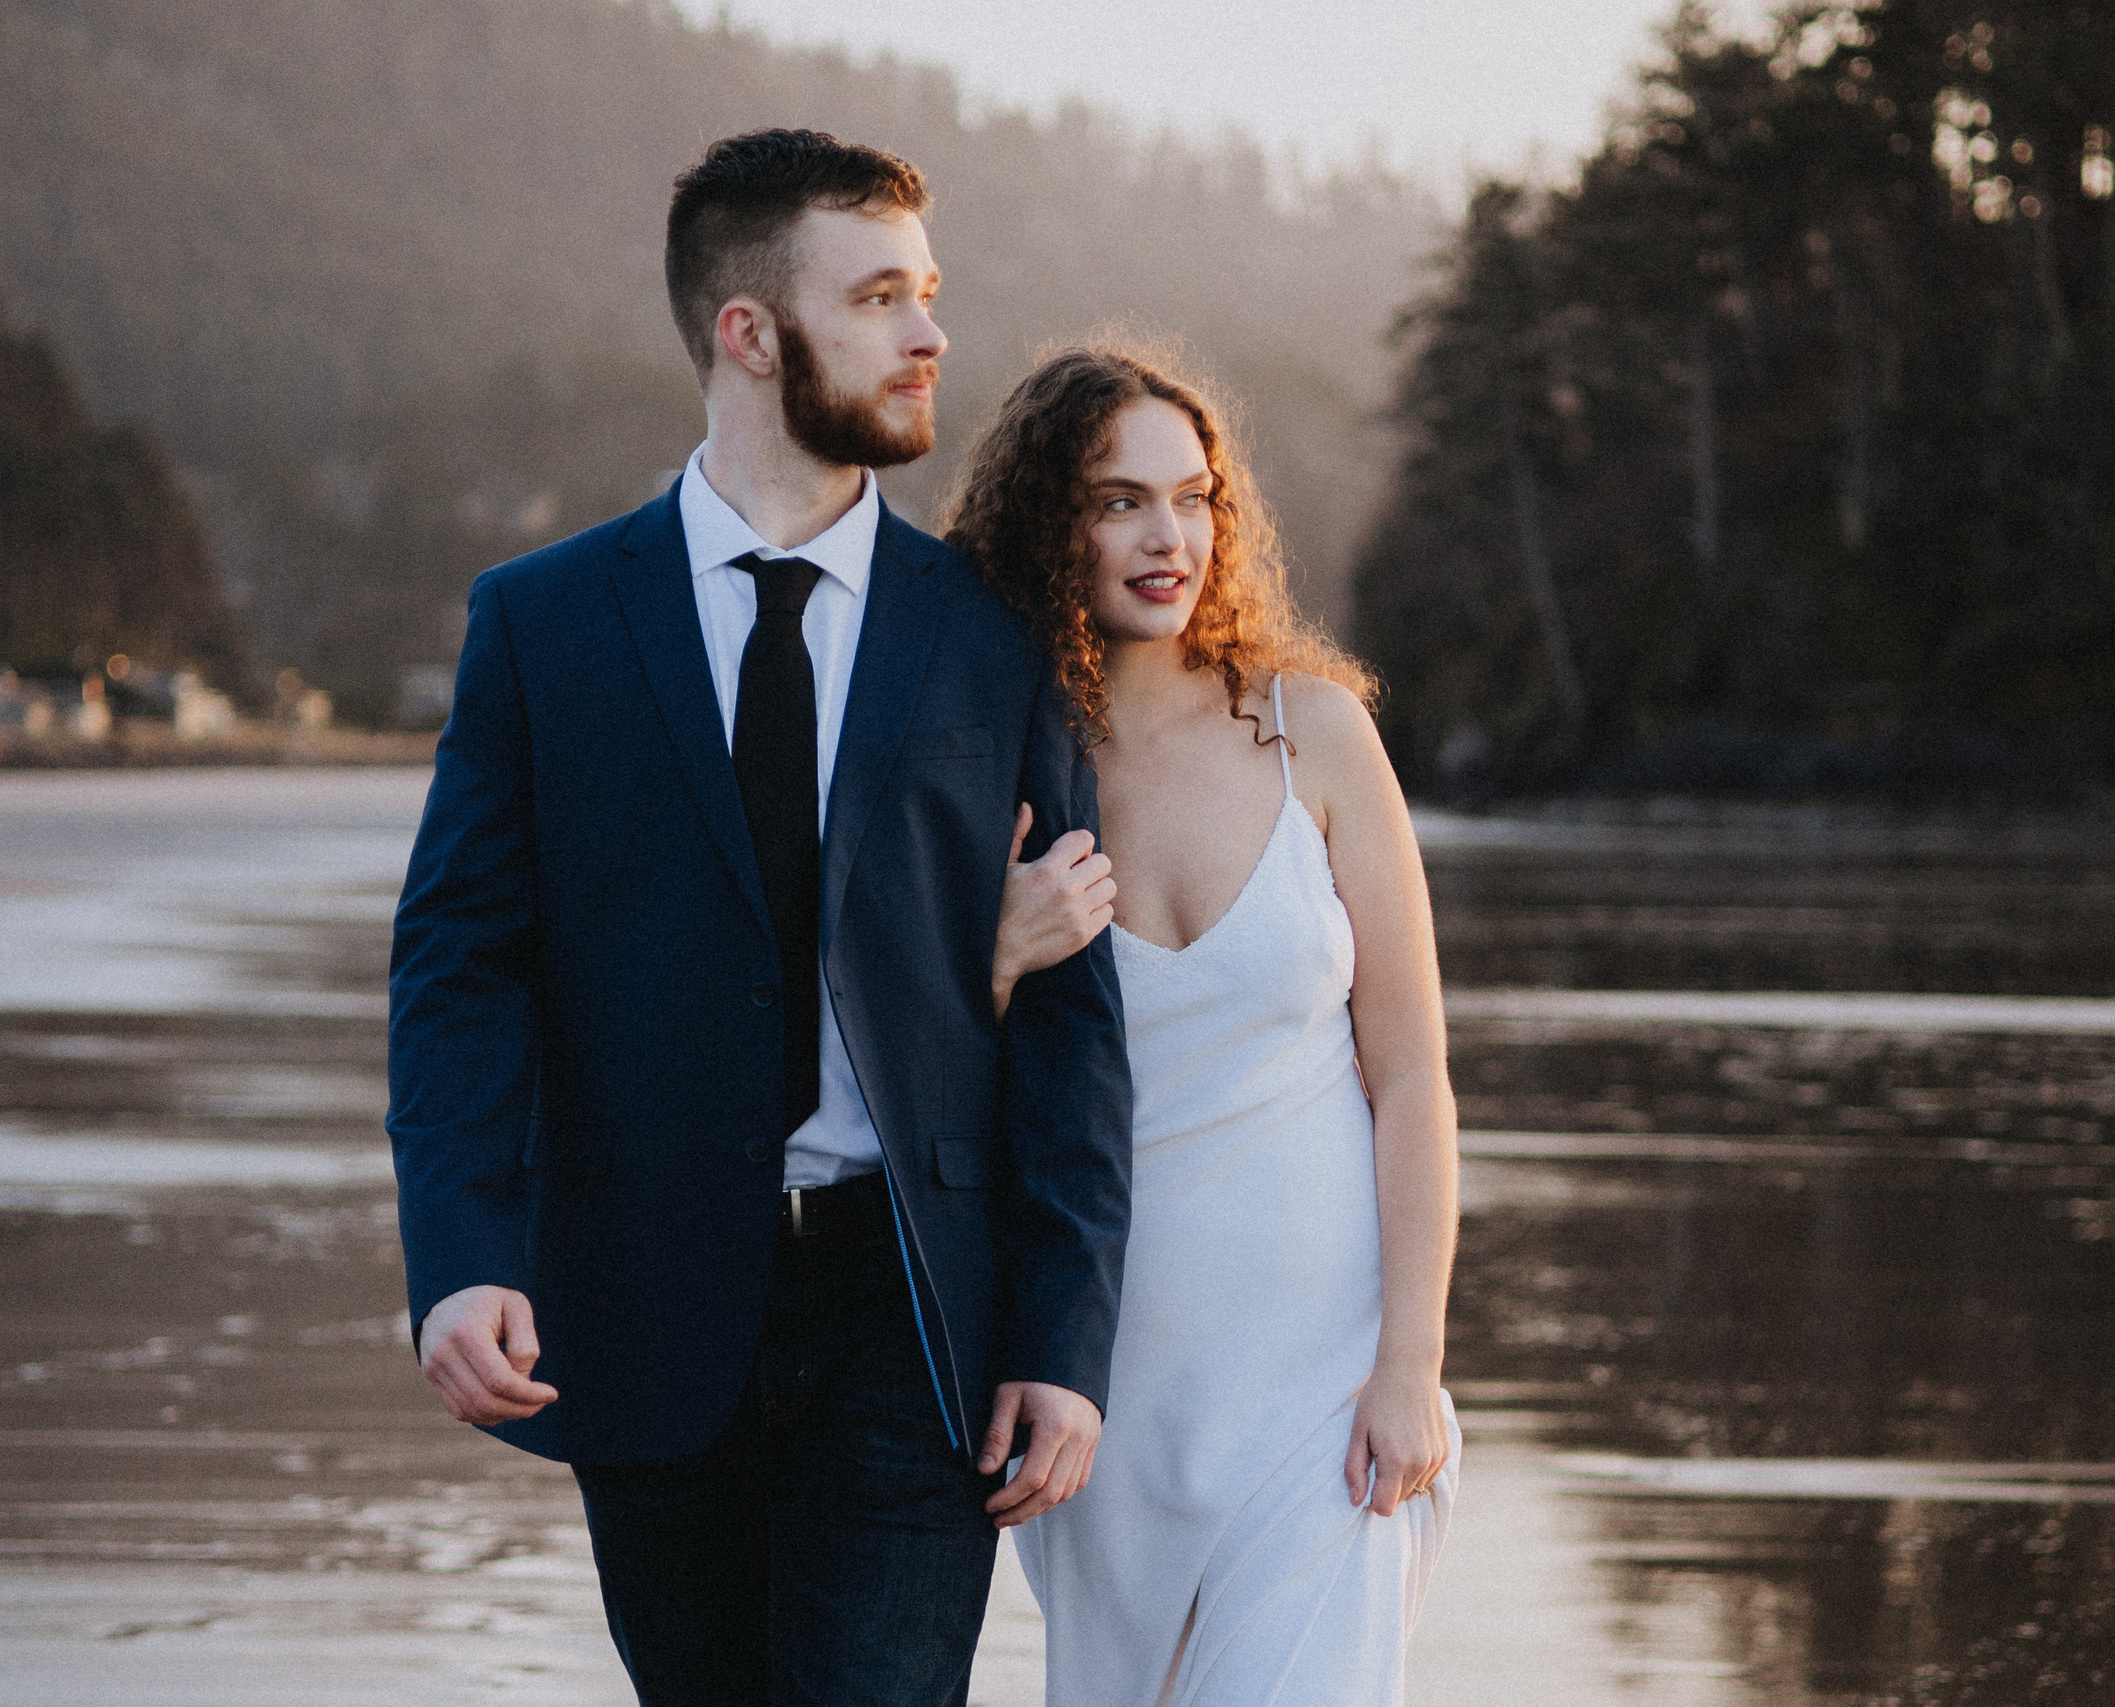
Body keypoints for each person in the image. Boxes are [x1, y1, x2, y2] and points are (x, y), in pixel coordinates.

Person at [386, 131, 1132, 1707]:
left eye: (928, 294)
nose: (931, 335)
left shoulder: (994, 638)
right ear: (749, 332)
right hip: (644, 1296)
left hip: (914, 1307)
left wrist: (1063, 1340)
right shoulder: (543, 623)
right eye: (878, 298)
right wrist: (460, 1255)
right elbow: (461, 970)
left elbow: (1073, 1018)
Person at [962, 346, 1462, 1706]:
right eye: (1121, 501)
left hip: (1328, 1382)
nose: (1167, 535)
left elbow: (1412, 1075)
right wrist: (993, 958)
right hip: (1106, 1389)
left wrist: (1409, 1363)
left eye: (1194, 498)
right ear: (1047, 523)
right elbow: (910, 1082)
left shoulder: (1317, 735)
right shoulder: (989, 765)